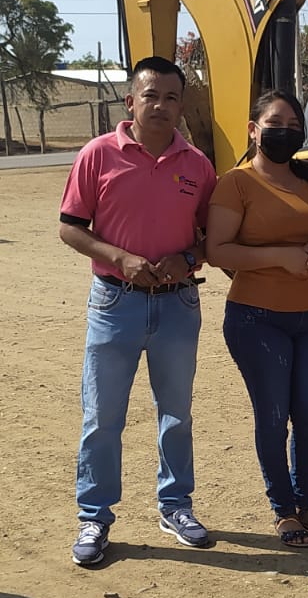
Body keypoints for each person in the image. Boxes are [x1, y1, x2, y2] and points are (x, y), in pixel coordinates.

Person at [60, 57, 218, 566]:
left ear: (181, 106)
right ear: (131, 102)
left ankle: (176, 506)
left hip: (178, 304)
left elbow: (211, 238)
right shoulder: (98, 155)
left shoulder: (198, 166)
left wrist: (187, 258)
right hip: (114, 303)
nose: (161, 106)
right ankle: (94, 516)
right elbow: (70, 227)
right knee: (103, 416)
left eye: (172, 98)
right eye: (151, 96)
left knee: (176, 414)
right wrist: (120, 258)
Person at [205, 89, 308, 549]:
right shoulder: (236, 184)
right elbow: (217, 250)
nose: (285, 132)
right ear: (254, 130)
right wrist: (280, 257)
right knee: (273, 415)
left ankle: (306, 504)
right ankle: (283, 510)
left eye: (294, 125)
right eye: (275, 124)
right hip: (257, 319)